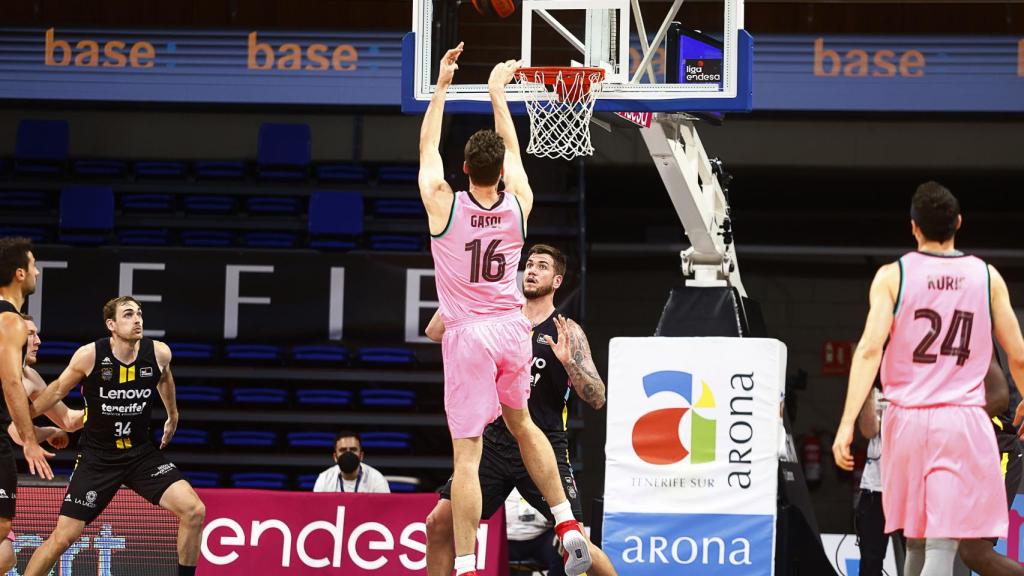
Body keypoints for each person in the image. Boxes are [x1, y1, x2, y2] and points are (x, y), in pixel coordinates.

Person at [418, 44, 591, 576]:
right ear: (498, 170)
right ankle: (564, 520)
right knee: (523, 424)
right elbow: (514, 153)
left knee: (466, 456)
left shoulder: (444, 202)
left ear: (465, 168)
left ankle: (469, 564)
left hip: (469, 334)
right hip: (513, 328)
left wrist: (444, 85)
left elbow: (427, 148)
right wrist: (499, 94)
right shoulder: (519, 203)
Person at [833, 182, 1024, 576]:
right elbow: (1018, 355)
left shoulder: (892, 276)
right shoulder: (987, 277)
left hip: (906, 421)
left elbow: (868, 350)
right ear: (958, 222)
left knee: (917, 537)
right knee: (941, 540)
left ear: (914, 227)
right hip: (960, 420)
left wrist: (847, 423)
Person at [424, 244, 617, 576]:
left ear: (557, 280)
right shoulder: (498, 320)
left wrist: (571, 364)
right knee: (438, 523)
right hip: (495, 443)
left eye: (542, 266)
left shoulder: (566, 331)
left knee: (577, 543)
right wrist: (468, 285)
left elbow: (598, 397)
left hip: (542, 444)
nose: (531, 270)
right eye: (529, 264)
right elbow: (434, 332)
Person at [24, 296, 206, 576]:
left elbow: (165, 377)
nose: (137, 320)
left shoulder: (158, 353)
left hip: (140, 456)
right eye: (129, 315)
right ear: (111, 324)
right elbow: (58, 389)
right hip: (97, 459)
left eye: (140, 314)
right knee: (63, 537)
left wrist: (173, 414)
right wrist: (24, 418)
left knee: (194, 510)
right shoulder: (91, 355)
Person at [0, 314, 85, 573]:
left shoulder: (31, 377)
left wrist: (103, 407)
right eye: (30, 334)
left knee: (5, 557)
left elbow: (69, 420)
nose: (37, 341)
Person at [0, 237, 54, 551]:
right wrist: (30, 441)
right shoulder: (11, 322)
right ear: (20, 273)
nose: (38, 273)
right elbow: (10, 383)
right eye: (34, 266)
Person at [312, 430, 391, 493]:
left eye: (353, 450)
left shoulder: (376, 479)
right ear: (335, 457)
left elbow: (385, 511)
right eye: (343, 450)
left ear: (361, 456)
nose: (348, 454)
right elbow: (317, 511)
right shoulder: (324, 479)